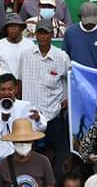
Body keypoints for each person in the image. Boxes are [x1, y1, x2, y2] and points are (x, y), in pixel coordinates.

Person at [20, 20, 71, 168]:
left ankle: (50, 185)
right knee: (28, 153)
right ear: (35, 35)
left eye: (46, 33)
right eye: (40, 33)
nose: (42, 36)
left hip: (51, 114)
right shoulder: (25, 56)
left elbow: (69, 79)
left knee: (51, 154)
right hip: (29, 115)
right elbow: (20, 80)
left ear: (51, 35)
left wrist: (66, 99)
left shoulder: (61, 57)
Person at [63, 2, 97, 68]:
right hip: (77, 74)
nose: (89, 24)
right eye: (87, 21)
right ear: (80, 17)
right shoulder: (70, 32)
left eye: (92, 22)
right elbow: (65, 55)